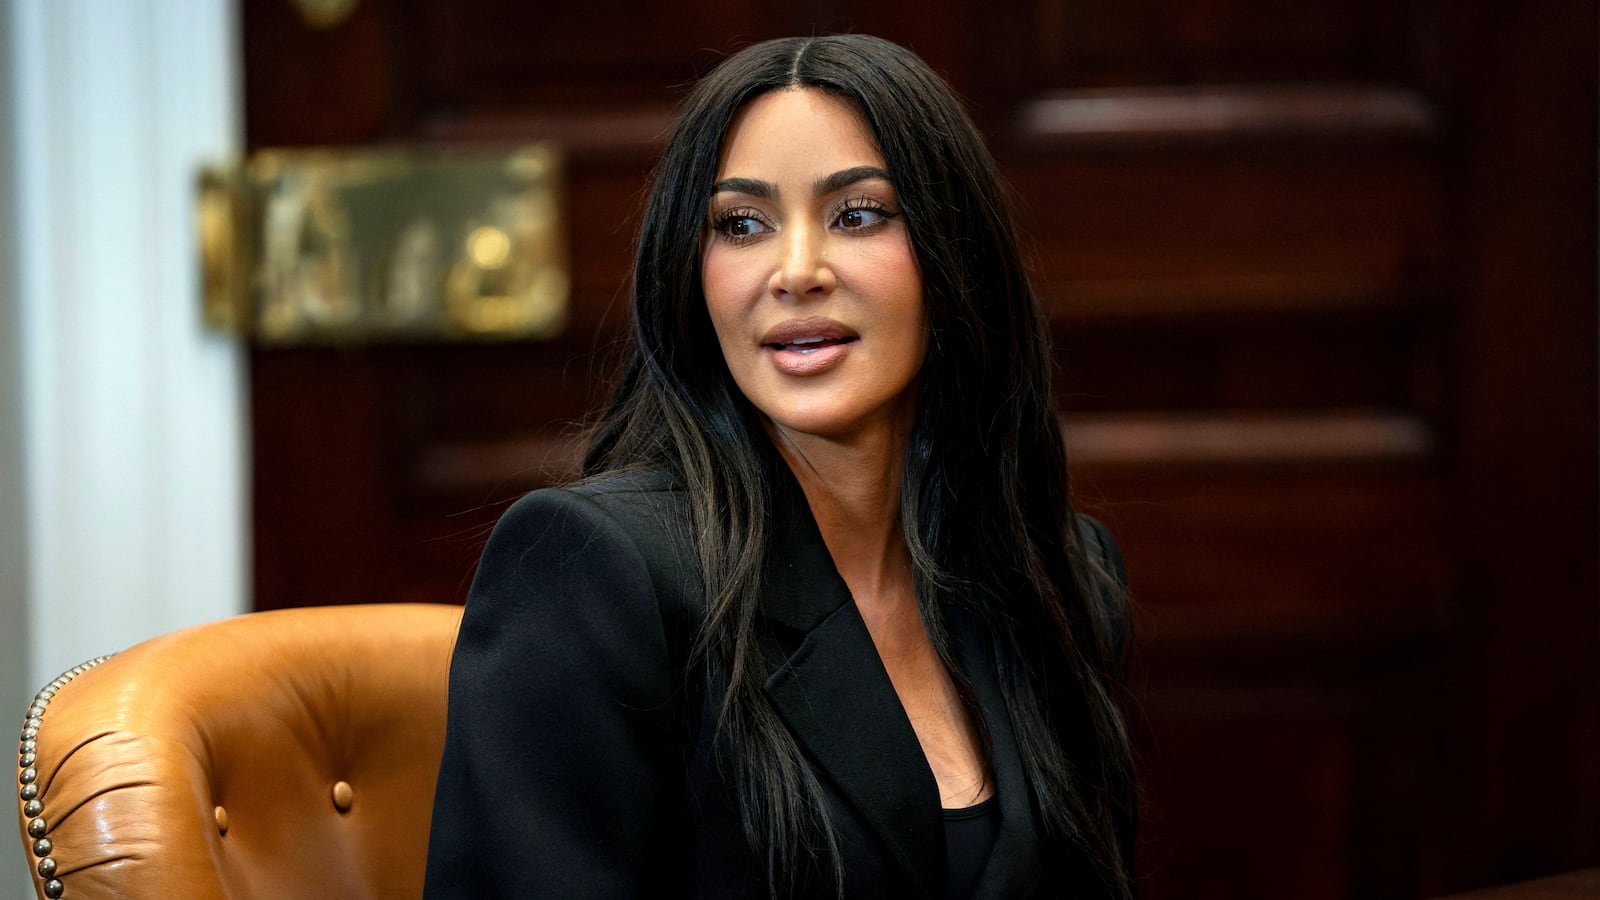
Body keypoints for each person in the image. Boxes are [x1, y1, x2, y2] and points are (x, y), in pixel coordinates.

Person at [424, 33, 1135, 900]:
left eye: (859, 214)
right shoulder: (592, 573)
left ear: (958, 259)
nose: (795, 272)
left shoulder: (1063, 577)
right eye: (742, 224)